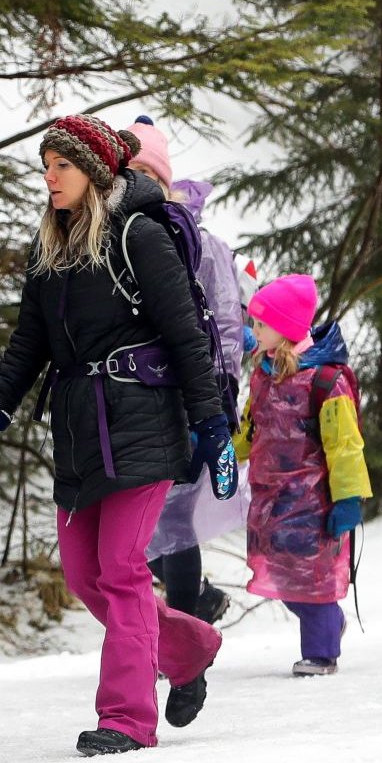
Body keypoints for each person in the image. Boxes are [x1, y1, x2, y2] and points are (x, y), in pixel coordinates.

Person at [0, 114, 227, 756]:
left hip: (144, 423)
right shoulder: (50, 245)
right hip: (79, 429)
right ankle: (188, 649)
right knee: (84, 575)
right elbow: (29, 344)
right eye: (45, 167)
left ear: (96, 172)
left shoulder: (139, 237)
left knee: (123, 569)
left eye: (62, 167)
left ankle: (127, 718)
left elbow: (187, 335)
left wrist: (210, 422)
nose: (49, 179)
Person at [124, 116, 247, 626]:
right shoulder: (107, 239)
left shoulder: (203, 244)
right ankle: (194, 603)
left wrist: (218, 401)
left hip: (190, 401)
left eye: (142, 174)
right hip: (130, 404)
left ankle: (182, 636)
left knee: (174, 522)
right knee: (136, 527)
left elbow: (226, 324)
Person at [233, 274, 372, 676]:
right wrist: (224, 454)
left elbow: (345, 446)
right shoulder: (265, 374)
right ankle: (329, 621)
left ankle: (321, 649)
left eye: (260, 324)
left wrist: (348, 499)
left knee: (310, 575)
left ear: (286, 329)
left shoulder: (326, 382)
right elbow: (251, 428)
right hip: (269, 495)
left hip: (312, 498)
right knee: (276, 569)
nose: (253, 331)